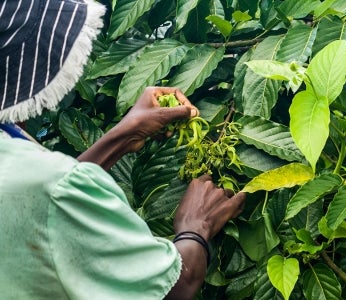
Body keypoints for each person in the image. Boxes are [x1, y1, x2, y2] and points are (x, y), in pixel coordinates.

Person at [0, 0, 246, 299]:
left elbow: (39, 207)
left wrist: (122, 137)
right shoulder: (45, 185)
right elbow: (174, 288)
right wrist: (196, 226)